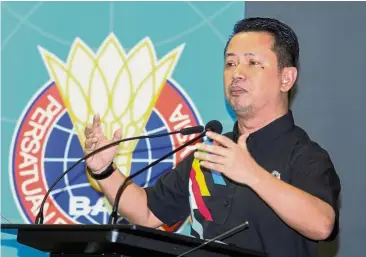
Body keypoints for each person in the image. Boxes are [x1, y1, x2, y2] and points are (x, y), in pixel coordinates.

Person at [84, 17, 341, 257]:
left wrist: (252, 173)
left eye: (253, 63)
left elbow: (322, 225)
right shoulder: (211, 152)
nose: (237, 73)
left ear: (286, 78)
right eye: (230, 63)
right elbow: (147, 212)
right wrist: (104, 170)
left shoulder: (305, 155)